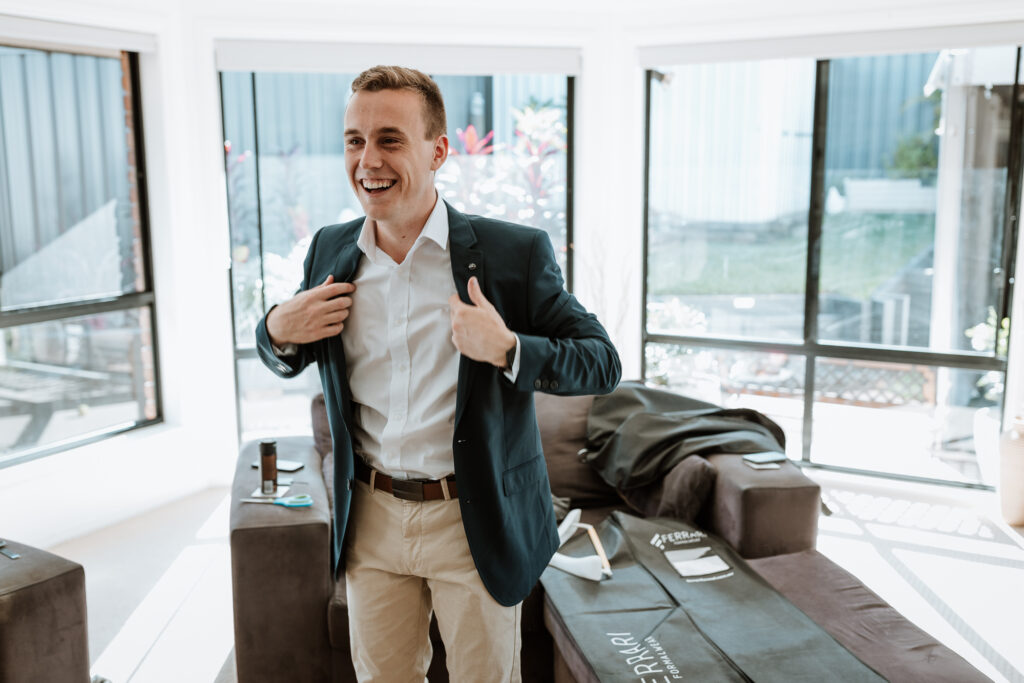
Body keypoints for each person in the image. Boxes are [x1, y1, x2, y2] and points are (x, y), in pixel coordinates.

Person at [255, 65, 620, 682]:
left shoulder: (512, 254)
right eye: (354, 140)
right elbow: (288, 347)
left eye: (390, 139)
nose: (367, 159)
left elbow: (601, 362)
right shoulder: (329, 249)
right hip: (369, 519)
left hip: (471, 518)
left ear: (438, 150)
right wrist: (274, 332)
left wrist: (509, 349)